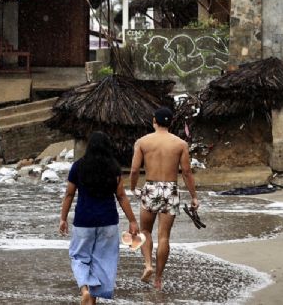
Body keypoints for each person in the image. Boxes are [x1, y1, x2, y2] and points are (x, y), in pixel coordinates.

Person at [60, 131, 140, 304]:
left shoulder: (78, 166)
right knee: (103, 260)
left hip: (84, 222)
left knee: (79, 257)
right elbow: (121, 196)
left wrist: (63, 218)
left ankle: (85, 290)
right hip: (108, 222)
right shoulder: (114, 168)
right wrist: (133, 220)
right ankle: (92, 298)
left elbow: (69, 194)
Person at [129, 107, 200, 290]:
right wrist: (194, 197)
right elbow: (186, 172)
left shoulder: (143, 142)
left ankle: (148, 265)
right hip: (170, 189)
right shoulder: (180, 144)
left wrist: (132, 187)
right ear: (170, 122)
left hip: (151, 187)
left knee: (145, 230)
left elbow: (135, 169)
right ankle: (158, 279)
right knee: (164, 237)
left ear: (154, 121)